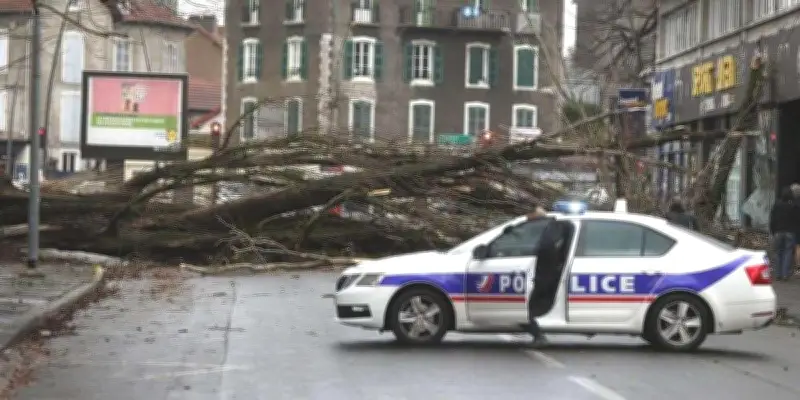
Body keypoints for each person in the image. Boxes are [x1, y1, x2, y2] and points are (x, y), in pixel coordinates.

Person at [522, 205, 567, 347]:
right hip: (546, 276)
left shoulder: (546, 234)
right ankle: (537, 334)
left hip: (544, 277)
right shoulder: (552, 231)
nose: (527, 219)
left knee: (527, 310)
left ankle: (538, 336)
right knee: (526, 309)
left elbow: (545, 254)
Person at [770, 187, 800, 281]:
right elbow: (797, 220)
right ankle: (785, 274)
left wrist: (773, 231)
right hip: (790, 232)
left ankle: (778, 274)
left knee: (778, 252)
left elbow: (772, 219)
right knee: (787, 253)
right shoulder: (793, 206)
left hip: (778, 231)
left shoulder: (776, 205)